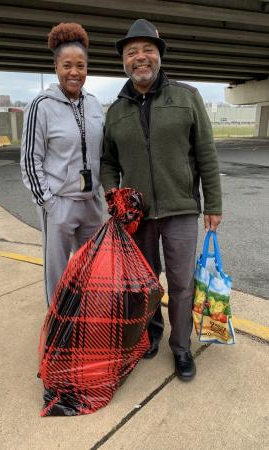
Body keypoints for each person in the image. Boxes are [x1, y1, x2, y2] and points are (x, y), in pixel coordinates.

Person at [100, 19, 222, 381]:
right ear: (124, 60)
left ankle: (181, 348)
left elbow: (206, 154)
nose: (140, 58)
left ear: (159, 55)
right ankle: (151, 334)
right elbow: (108, 161)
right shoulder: (116, 111)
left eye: (147, 50)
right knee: (145, 282)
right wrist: (114, 195)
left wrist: (213, 203)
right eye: (132, 52)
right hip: (137, 217)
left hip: (182, 209)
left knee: (182, 284)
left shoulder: (187, 98)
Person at [21, 23, 104, 306]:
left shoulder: (94, 105)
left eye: (80, 65)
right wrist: (48, 202)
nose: (74, 72)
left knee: (93, 269)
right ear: (56, 66)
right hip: (58, 204)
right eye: (67, 65)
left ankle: (87, 321)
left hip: (91, 204)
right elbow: (30, 160)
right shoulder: (41, 105)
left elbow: (102, 153)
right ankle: (57, 330)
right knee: (56, 273)